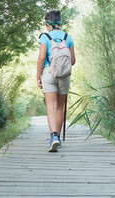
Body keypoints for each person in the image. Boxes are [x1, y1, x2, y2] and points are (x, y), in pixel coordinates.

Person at [36, 10, 76, 152]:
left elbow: (41, 58)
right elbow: (73, 60)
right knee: (60, 107)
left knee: (51, 107)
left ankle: (53, 137)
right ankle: (58, 136)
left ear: (48, 24)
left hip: (48, 73)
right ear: (59, 22)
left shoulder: (45, 37)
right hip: (64, 75)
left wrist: (38, 76)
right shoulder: (67, 37)